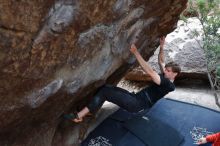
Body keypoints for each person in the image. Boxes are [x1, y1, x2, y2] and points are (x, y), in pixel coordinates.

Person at [64, 36, 181, 123]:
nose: (165, 71)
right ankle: (90, 111)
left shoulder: (167, 84)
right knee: (106, 87)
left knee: (105, 92)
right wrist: (162, 46)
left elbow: (150, 72)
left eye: (168, 71)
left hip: (136, 105)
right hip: (135, 98)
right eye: (166, 70)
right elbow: (161, 61)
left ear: (175, 74)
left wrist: (136, 53)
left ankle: (78, 116)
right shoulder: (167, 77)